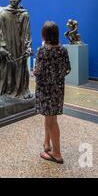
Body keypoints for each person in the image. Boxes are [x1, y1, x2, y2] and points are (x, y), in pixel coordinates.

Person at [33, 21, 71, 164]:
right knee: (49, 118)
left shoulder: (42, 51)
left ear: (44, 35)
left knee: (52, 121)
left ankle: (57, 153)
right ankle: (47, 144)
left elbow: (37, 72)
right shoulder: (63, 50)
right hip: (57, 90)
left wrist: (36, 72)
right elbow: (67, 69)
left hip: (45, 90)